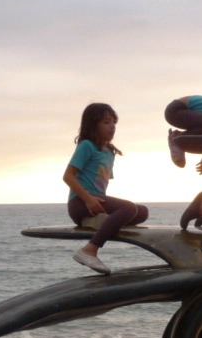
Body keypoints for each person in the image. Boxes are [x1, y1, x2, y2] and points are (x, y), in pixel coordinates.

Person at [63, 103, 148, 274]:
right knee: (129, 208)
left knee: (142, 212)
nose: (112, 127)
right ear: (93, 125)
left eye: (114, 123)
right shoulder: (87, 146)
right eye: (106, 122)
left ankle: (98, 221)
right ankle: (89, 250)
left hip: (96, 201)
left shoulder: (109, 152)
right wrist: (88, 199)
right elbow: (68, 176)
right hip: (80, 203)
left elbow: (101, 185)